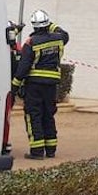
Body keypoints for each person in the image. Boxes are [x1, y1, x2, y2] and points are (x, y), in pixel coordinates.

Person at [12, 9, 70, 159]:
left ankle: (37, 151)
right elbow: (64, 33)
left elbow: (23, 67)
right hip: (51, 86)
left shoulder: (31, 43)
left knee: (34, 115)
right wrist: (51, 25)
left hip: (34, 86)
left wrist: (14, 86)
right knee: (48, 115)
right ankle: (51, 150)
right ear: (47, 24)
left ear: (34, 26)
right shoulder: (59, 39)